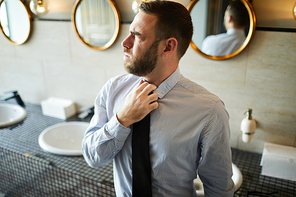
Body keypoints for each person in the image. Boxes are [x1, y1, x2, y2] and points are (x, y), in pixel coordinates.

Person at [82, 0, 235, 196]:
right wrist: (122, 119)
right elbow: (92, 157)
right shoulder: (113, 90)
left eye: (136, 36)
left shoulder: (209, 111)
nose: (125, 43)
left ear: (168, 47)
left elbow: (219, 190)